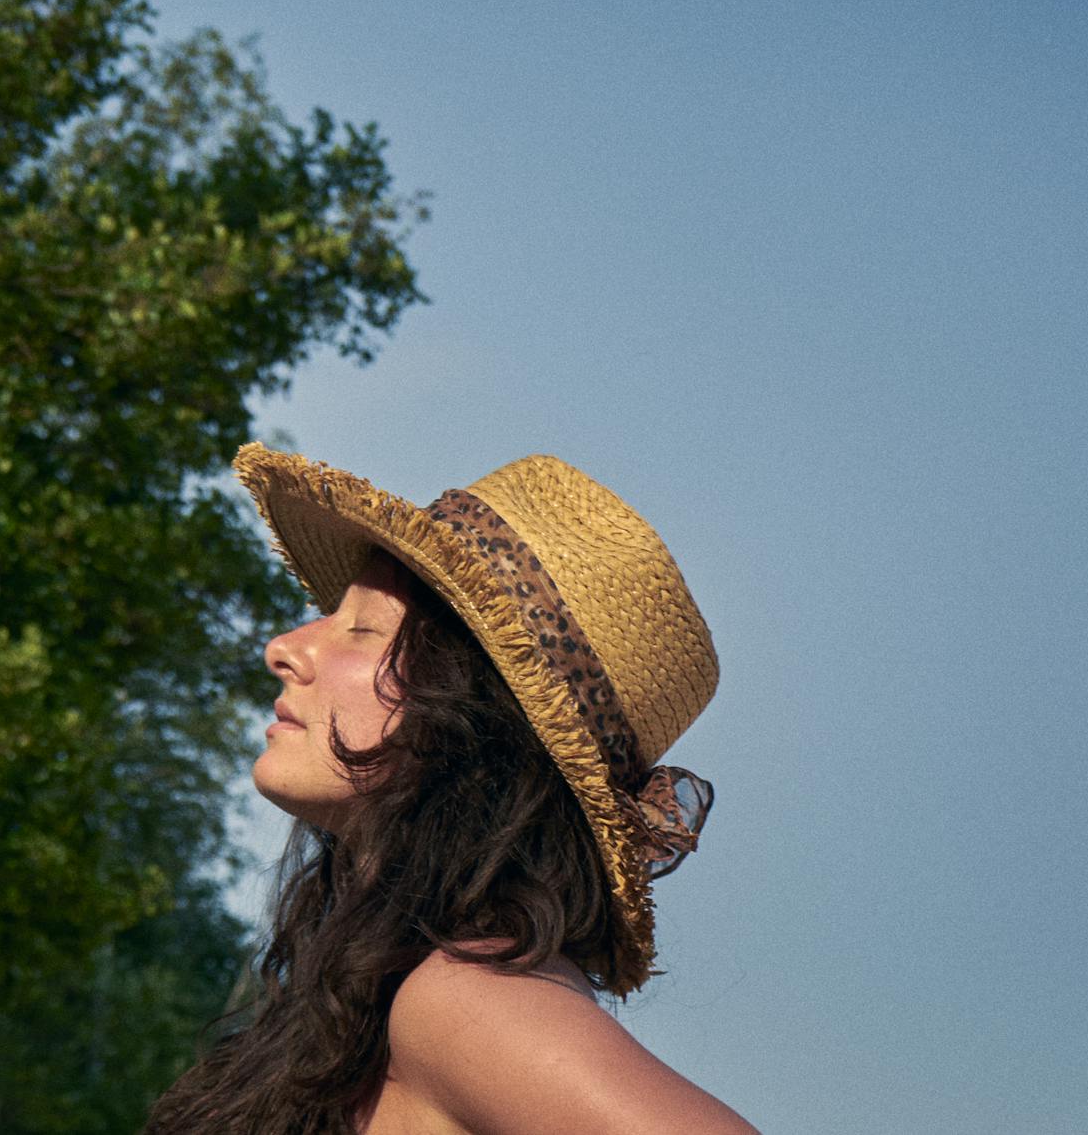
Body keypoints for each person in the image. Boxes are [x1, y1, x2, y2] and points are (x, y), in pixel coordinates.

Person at [144, 443, 757, 1134]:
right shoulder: (390, 995)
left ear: (468, 713)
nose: (285, 647)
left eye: (363, 628)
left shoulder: (464, 999)